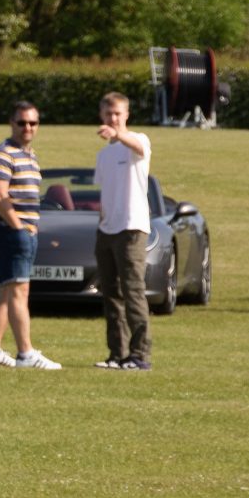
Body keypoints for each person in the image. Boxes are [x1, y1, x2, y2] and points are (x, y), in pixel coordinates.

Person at [0, 101, 56, 369]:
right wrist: (18, 226)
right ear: (11, 123)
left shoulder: (30, 156)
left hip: (20, 231)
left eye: (32, 123)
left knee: (6, 292)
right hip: (10, 231)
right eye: (22, 122)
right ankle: (26, 353)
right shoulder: (3, 154)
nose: (27, 128)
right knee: (19, 292)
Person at [93, 91, 154, 371]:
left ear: (126, 115)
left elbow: (137, 148)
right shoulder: (104, 155)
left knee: (133, 292)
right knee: (110, 294)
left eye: (117, 114)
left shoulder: (137, 141)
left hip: (132, 229)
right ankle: (117, 354)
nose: (113, 119)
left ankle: (140, 354)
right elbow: (105, 193)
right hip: (107, 229)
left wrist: (118, 134)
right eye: (108, 114)